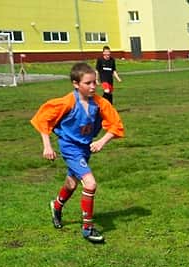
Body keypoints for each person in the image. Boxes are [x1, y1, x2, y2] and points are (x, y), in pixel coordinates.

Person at [30, 62, 125, 243]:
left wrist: (101, 141)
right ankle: (87, 228)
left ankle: (56, 206)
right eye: (87, 83)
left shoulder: (100, 103)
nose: (93, 86)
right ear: (75, 84)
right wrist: (47, 146)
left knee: (71, 184)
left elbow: (116, 124)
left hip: (84, 148)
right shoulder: (67, 102)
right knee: (90, 184)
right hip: (70, 147)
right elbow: (43, 119)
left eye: (94, 82)